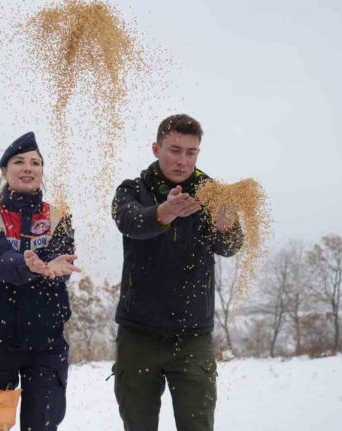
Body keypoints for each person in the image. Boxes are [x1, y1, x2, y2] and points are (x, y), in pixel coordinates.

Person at [111, 114, 244, 431]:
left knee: (197, 425)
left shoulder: (211, 194)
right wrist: (165, 211)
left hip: (193, 335)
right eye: (174, 149)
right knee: (138, 424)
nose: (182, 160)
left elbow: (230, 245)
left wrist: (227, 227)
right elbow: (130, 222)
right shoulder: (132, 190)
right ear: (156, 148)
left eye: (191, 152)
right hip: (138, 333)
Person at [0, 132, 80, 431]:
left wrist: (53, 267)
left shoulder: (59, 217)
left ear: (42, 172)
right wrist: (28, 265)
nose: (28, 168)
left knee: (42, 424)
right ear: (4, 171)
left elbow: (63, 260)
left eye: (35, 162)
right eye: (19, 162)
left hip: (46, 343)